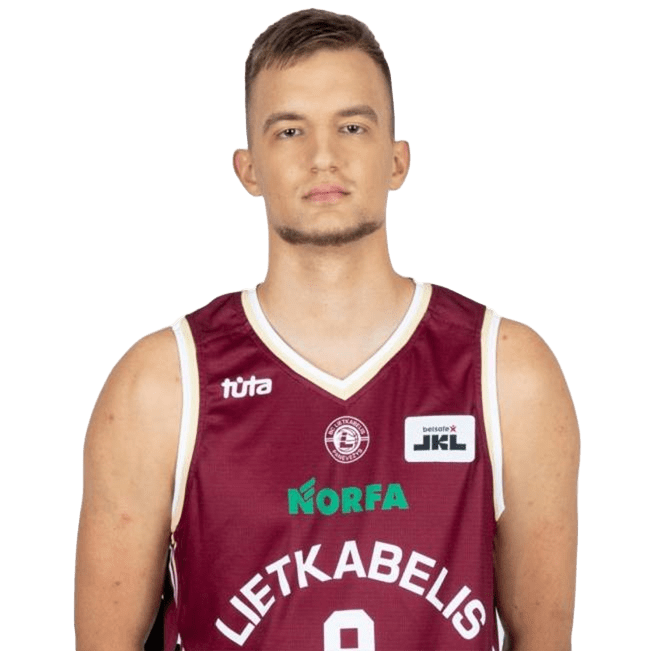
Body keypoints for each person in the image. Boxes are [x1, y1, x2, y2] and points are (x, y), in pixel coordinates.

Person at [74, 8, 580, 651]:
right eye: (289, 130)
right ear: (247, 168)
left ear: (397, 159)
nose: (322, 157)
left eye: (352, 126)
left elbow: (545, 639)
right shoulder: (161, 385)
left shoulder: (507, 371)